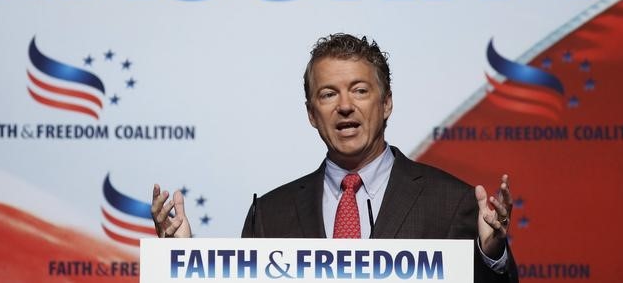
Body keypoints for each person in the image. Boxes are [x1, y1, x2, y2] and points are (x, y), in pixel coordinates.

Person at [152, 33, 517, 282]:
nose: (345, 106)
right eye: (328, 94)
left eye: (359, 90)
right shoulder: (270, 213)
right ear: (312, 113)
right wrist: (183, 261)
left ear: (386, 102)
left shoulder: (450, 202)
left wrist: (491, 254)